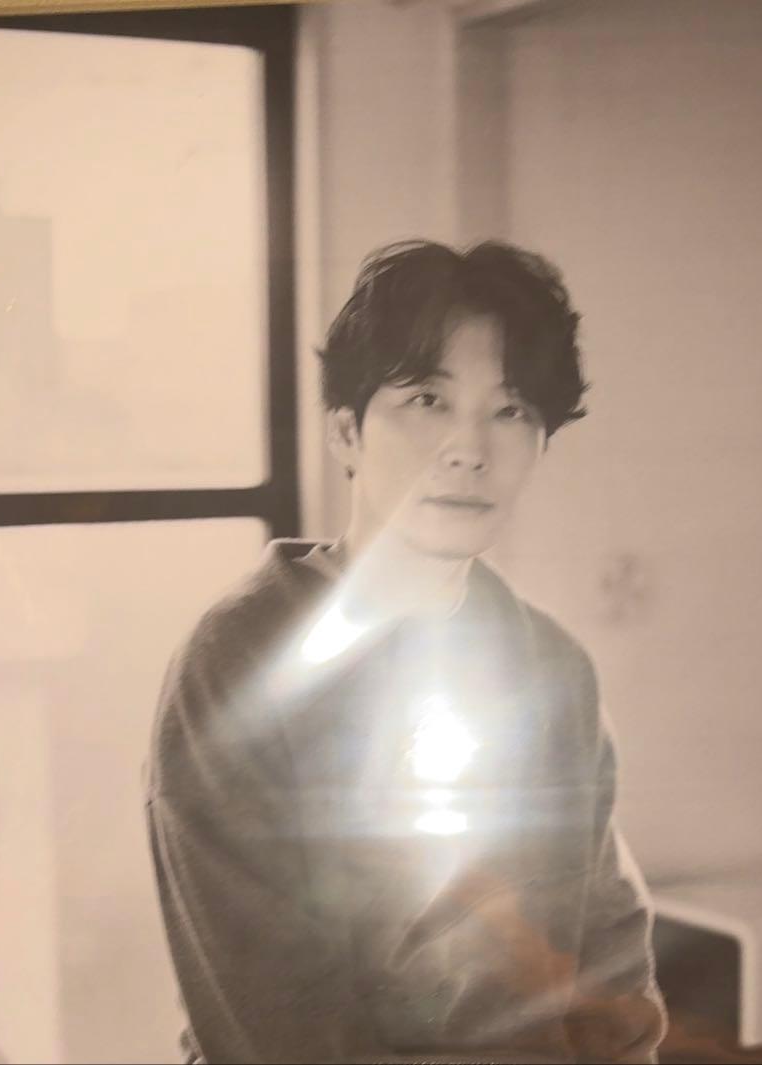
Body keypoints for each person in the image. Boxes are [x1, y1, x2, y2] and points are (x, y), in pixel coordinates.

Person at [146, 240, 667, 1065]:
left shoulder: (551, 667)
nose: (470, 447)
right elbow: (275, 1027)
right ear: (346, 431)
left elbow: (608, 948)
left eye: (511, 410)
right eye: (429, 399)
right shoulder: (239, 662)